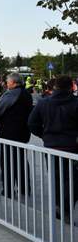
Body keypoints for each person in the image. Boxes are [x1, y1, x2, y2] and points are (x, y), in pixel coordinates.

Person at [28, 75, 78, 219]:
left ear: (55, 86)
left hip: (51, 146)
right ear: (71, 86)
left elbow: (32, 123)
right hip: (71, 146)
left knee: (56, 177)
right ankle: (65, 207)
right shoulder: (75, 103)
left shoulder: (43, 103)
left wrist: (45, 136)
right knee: (72, 179)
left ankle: (59, 205)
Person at [0, 72, 33, 198]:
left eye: (8, 81)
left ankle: (8, 189)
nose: (6, 83)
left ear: (14, 82)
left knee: (7, 161)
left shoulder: (12, 93)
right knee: (21, 160)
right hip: (23, 132)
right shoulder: (26, 93)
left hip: (9, 133)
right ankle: (24, 188)